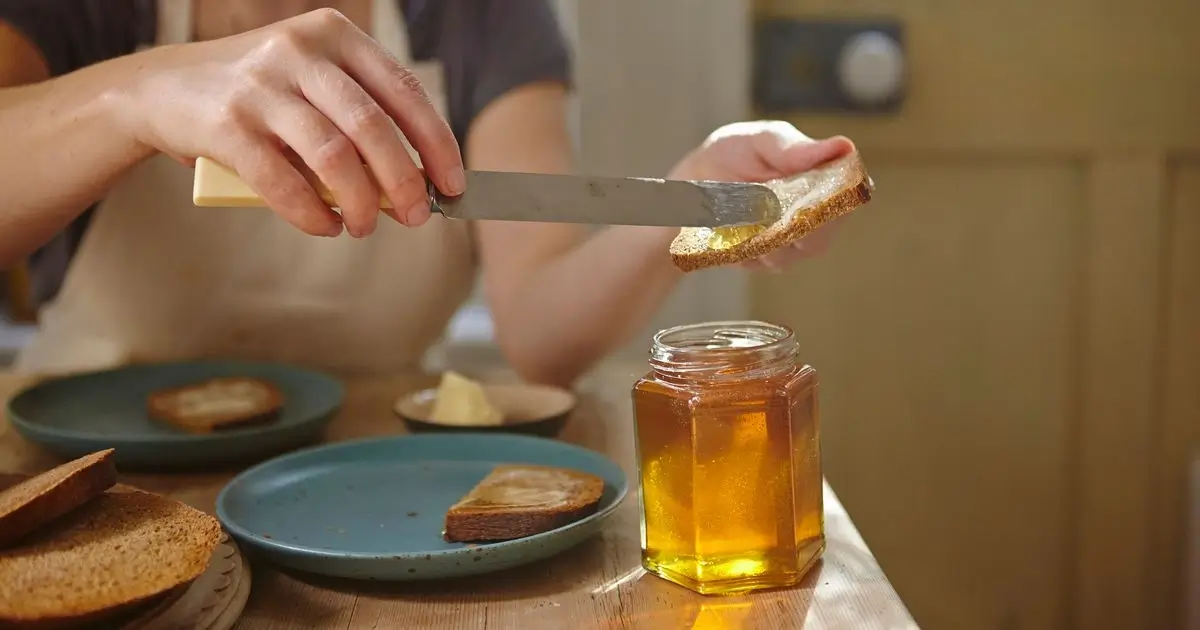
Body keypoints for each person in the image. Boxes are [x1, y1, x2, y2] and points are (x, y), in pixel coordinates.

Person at [0, 0, 855, 385]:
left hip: (377, 482)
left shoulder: (482, 16)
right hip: (88, 471)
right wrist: (133, 98)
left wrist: (691, 194)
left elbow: (542, 340)